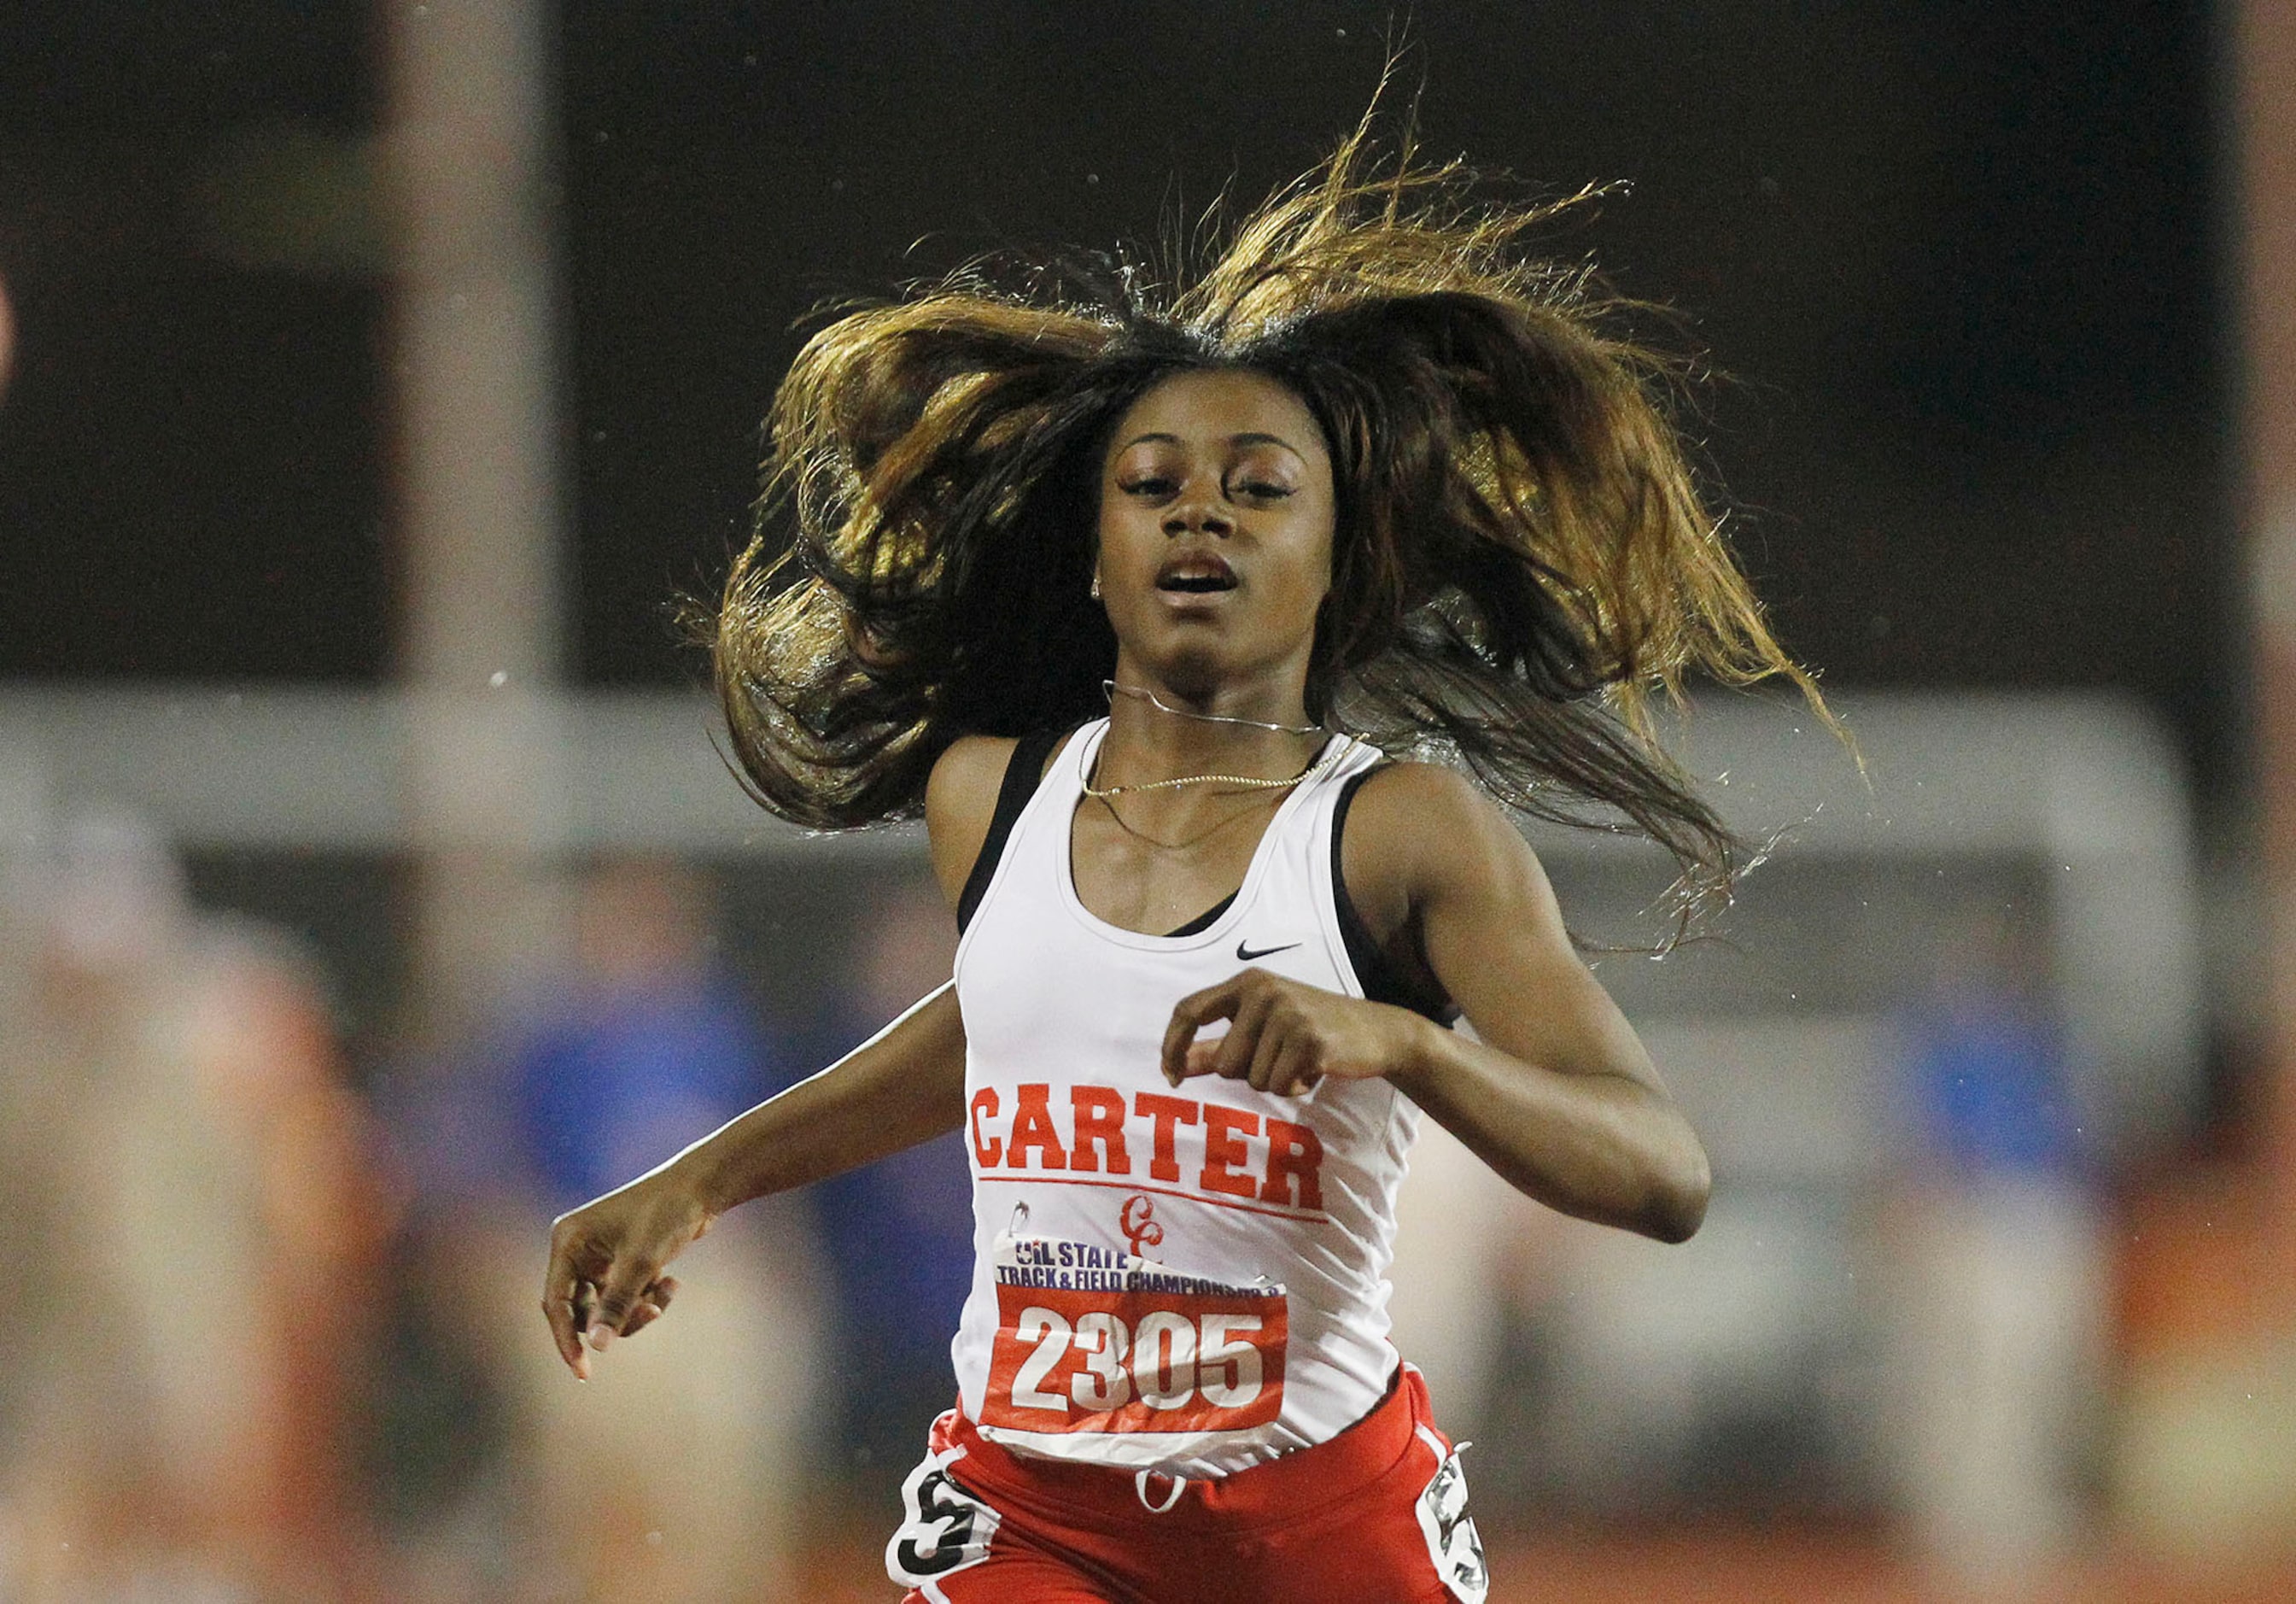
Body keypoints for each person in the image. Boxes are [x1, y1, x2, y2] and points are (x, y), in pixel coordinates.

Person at [542, 118, 1824, 1603]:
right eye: (1152, 484)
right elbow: (1013, 1026)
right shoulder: (988, 797)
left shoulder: (1397, 832)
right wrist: (696, 1184)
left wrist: (1401, 1043)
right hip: (1040, 1518)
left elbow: (1662, 1172)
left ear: (1340, 554)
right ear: (1095, 558)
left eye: (1258, 485)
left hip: (1320, 1523)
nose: (1198, 508)